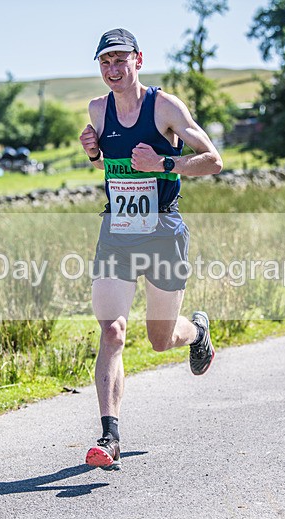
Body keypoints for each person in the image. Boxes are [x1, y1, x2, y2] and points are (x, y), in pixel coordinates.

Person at [78, 28, 223, 471]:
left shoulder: (164, 106)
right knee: (112, 331)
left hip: (163, 231)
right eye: (105, 62)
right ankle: (110, 435)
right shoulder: (97, 110)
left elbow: (213, 159)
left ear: (138, 60)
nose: (113, 69)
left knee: (160, 340)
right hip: (117, 231)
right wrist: (92, 152)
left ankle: (197, 332)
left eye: (121, 60)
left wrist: (164, 163)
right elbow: (110, 160)